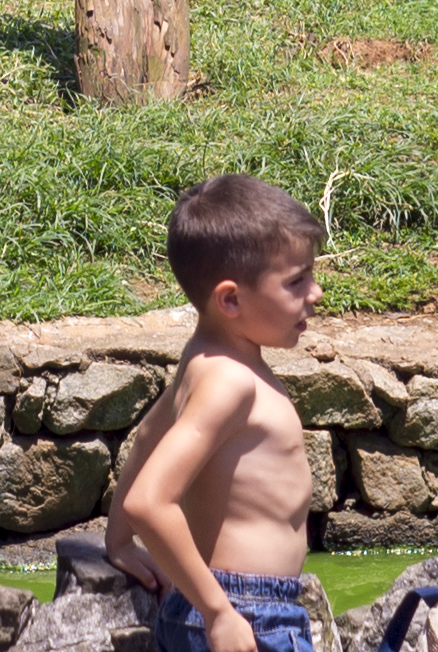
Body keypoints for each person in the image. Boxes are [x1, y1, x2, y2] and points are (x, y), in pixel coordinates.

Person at [106, 174, 323, 652]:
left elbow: (146, 437)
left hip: (218, 602)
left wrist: (118, 542)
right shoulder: (231, 382)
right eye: (297, 281)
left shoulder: (203, 359)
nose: (316, 292)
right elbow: (150, 500)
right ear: (230, 299)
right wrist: (218, 612)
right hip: (248, 611)